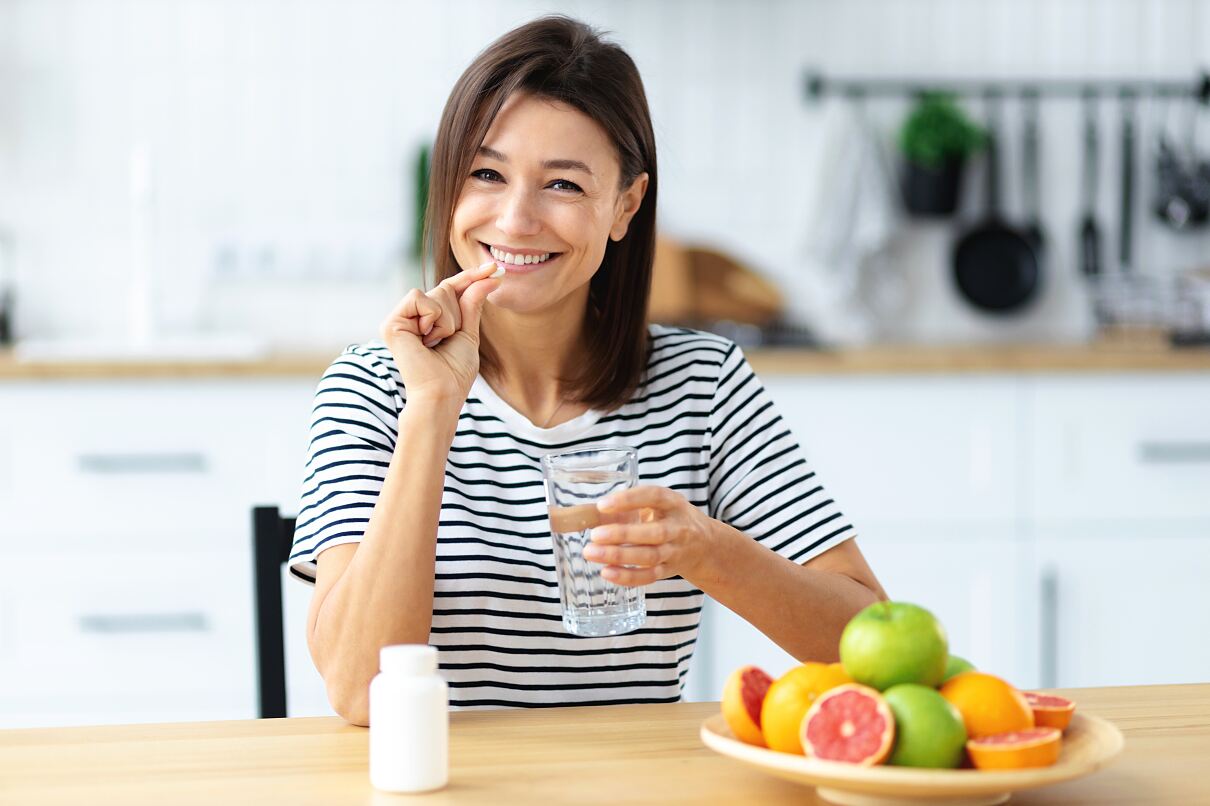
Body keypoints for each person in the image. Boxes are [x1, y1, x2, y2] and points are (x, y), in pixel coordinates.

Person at [290, 14, 886, 726]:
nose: (514, 220)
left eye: (564, 186)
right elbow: (359, 693)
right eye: (486, 173)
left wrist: (707, 550)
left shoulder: (703, 384)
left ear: (625, 206)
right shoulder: (374, 387)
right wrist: (432, 408)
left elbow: (868, 647)